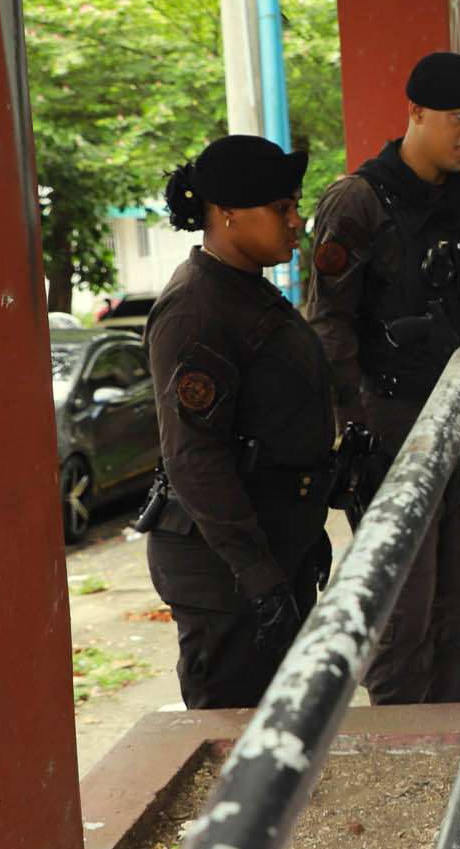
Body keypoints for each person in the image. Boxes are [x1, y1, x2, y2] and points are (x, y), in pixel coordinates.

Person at [304, 51, 460, 706]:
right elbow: (331, 330)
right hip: (393, 423)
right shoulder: (358, 203)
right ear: (415, 112)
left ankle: (456, 753)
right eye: (459, 116)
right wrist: (352, 433)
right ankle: (404, 754)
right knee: (404, 612)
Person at [143, 135, 338, 710]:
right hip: (224, 572)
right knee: (233, 753)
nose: (297, 221)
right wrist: (259, 576)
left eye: (294, 205)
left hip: (271, 550)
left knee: (284, 741)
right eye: (281, 208)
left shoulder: (245, 293)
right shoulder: (196, 309)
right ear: (227, 215)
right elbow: (194, 459)